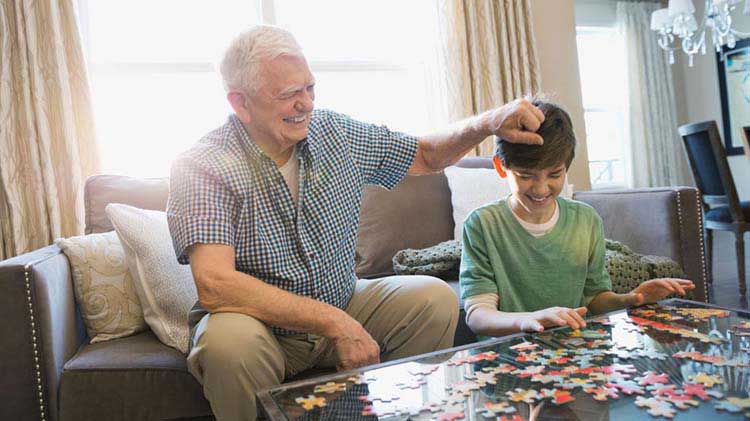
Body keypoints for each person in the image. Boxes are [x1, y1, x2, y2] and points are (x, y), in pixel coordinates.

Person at [166, 25, 547, 421]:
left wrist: (488, 123)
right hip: (261, 327)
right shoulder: (202, 165)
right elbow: (215, 285)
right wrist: (334, 322)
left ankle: (403, 414)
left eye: (310, 88)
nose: (306, 104)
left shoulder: (335, 133)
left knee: (432, 300)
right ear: (240, 103)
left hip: (343, 299)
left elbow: (426, 155)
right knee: (226, 344)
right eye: (288, 95)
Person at [459, 99, 695, 339]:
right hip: (507, 355)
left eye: (554, 174)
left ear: (567, 167)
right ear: (501, 167)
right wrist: (528, 320)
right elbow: (478, 316)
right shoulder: (482, 224)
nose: (541, 189)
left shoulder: (585, 219)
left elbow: (595, 299)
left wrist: (633, 298)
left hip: (572, 350)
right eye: (526, 176)